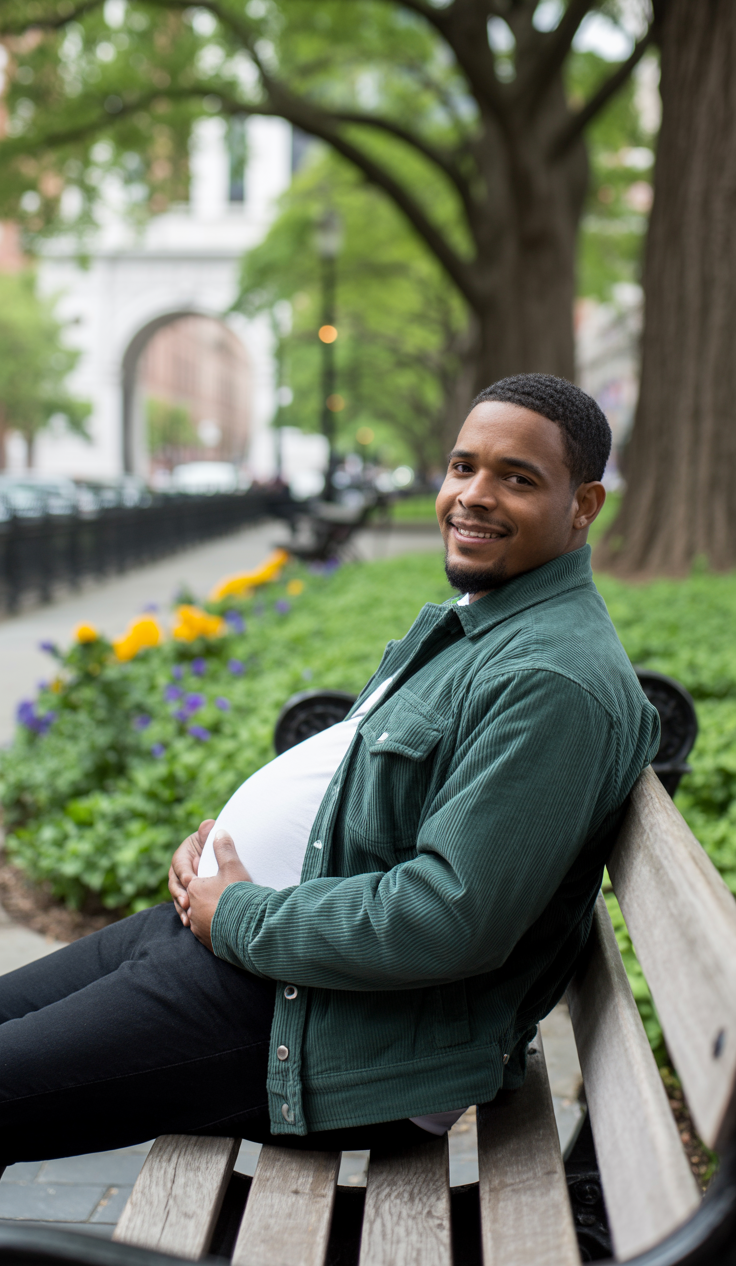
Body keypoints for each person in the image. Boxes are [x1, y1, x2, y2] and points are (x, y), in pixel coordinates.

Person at [0, 374, 659, 1164]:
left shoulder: (553, 680)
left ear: (583, 505)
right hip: (255, 960)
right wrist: (221, 851)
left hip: (325, 1035)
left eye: (517, 479)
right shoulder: (494, 622)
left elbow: (445, 917)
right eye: (463, 467)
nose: (473, 496)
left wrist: (240, 914)